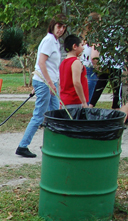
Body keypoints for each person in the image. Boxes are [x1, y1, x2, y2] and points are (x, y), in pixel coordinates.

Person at [15, 16, 67, 159]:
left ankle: (52, 144)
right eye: (59, 26)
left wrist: (52, 83)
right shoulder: (49, 40)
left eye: (63, 27)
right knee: (40, 115)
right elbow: (41, 63)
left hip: (48, 82)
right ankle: (23, 146)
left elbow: (50, 66)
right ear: (53, 25)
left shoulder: (55, 42)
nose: (61, 30)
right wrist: (48, 83)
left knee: (54, 114)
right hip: (45, 82)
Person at [59, 34, 91, 112]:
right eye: (81, 45)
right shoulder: (75, 62)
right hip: (75, 101)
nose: (83, 48)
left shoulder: (63, 63)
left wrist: (61, 101)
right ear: (75, 46)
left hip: (65, 102)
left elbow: (60, 83)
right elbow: (76, 82)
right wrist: (83, 102)